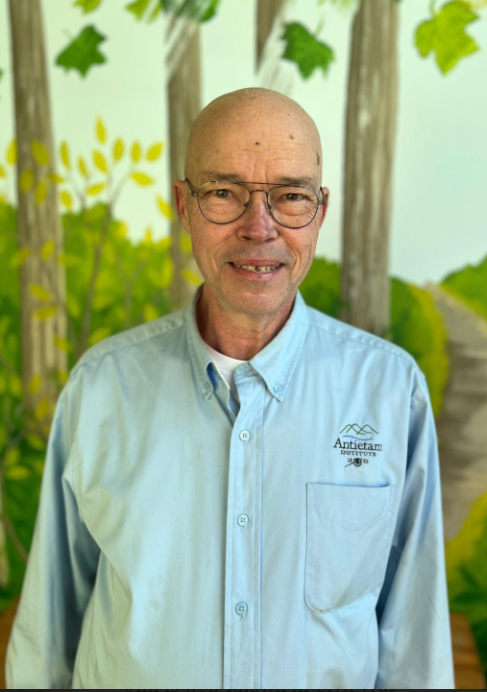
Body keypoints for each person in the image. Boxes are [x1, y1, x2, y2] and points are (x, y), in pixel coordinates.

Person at [5, 87, 455, 689]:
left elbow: (415, 651)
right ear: (183, 207)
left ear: (320, 212)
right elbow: (46, 641)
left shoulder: (392, 393)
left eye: (290, 196)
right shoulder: (100, 389)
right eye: (224, 192)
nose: (259, 228)